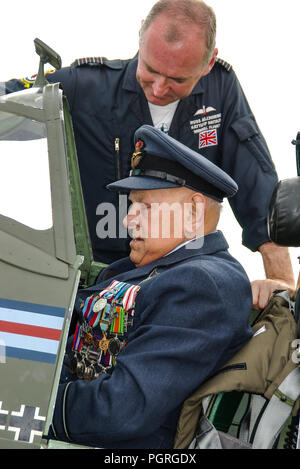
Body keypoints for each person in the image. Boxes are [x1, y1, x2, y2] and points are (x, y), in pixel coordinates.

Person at [0, 0, 294, 308]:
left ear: (208, 64)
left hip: (186, 283)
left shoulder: (220, 92)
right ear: (141, 35)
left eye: (177, 80)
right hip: (101, 285)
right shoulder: (86, 87)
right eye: (150, 70)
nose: (158, 88)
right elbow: (11, 105)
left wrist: (284, 296)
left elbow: (260, 195)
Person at [50, 125, 253, 449]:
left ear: (192, 213)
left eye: (144, 206)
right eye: (132, 205)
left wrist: (36, 401)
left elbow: (122, 410)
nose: (128, 219)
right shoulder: (152, 266)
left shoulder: (203, 284)